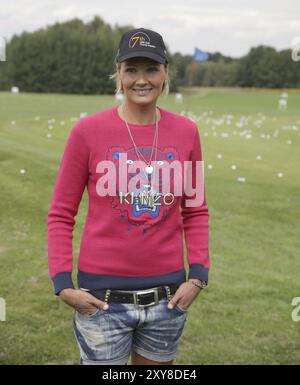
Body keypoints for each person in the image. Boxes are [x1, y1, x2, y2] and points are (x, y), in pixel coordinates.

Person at [47, 27, 210, 365]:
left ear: (165, 73)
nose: (141, 79)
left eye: (151, 68)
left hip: (167, 300)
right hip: (101, 301)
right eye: (131, 69)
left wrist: (197, 276)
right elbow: (62, 213)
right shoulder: (87, 132)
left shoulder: (187, 133)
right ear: (118, 73)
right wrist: (63, 283)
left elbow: (195, 210)